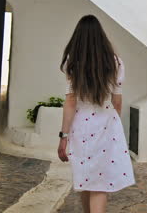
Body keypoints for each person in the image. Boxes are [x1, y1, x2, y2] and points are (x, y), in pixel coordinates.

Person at [57, 15, 135, 213]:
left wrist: (63, 136)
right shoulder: (115, 63)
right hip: (106, 123)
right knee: (100, 182)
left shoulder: (72, 63)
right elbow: (117, 102)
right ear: (102, 37)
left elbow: (71, 102)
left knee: (85, 177)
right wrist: (113, 126)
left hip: (81, 125)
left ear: (78, 38)